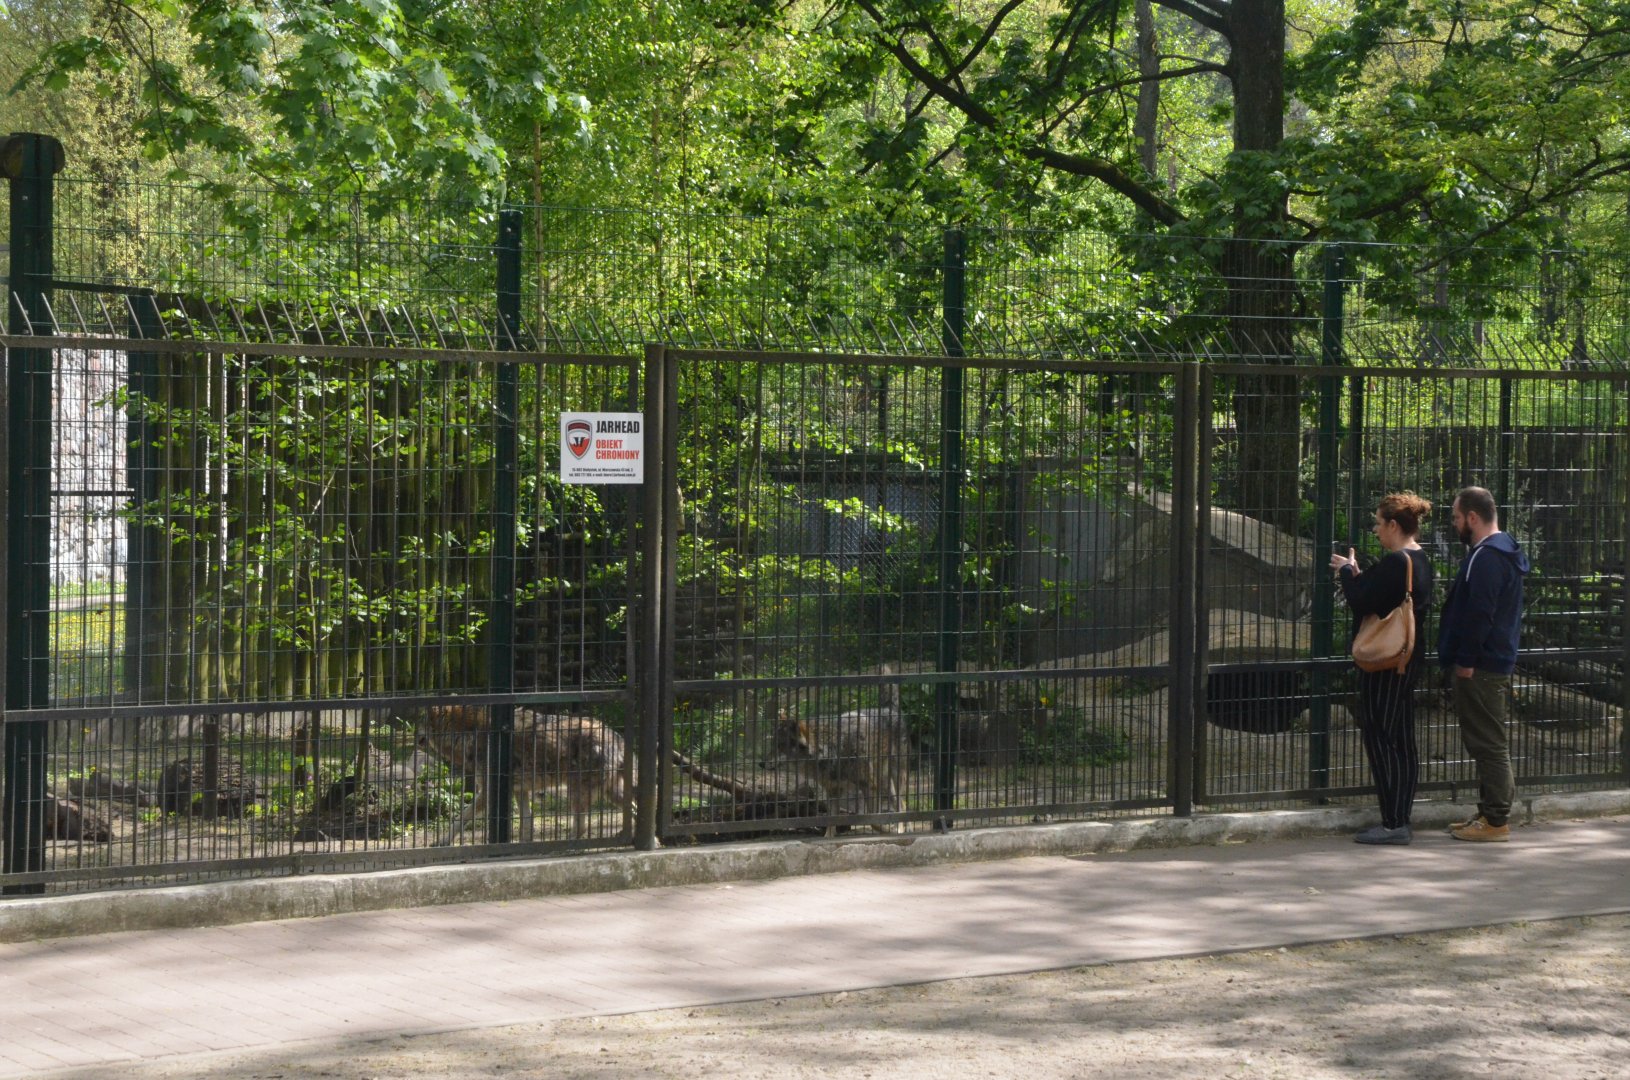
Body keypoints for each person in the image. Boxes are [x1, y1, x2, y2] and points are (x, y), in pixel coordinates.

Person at [1330, 492, 1435, 845]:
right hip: (1408, 660)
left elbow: (1362, 601)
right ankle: (1399, 817)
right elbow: (1381, 596)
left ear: (1393, 525)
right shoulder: (1420, 561)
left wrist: (1347, 573)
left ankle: (1393, 823)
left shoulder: (1396, 561)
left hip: (1385, 665)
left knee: (1380, 737)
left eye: (1378, 523)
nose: (1375, 530)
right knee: (1401, 739)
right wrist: (1359, 576)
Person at [1437, 486, 1529, 842]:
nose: (1456, 524)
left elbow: (1480, 614)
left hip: (1482, 665)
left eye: (1457, 518)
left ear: (1472, 518)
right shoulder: (1500, 549)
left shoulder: (1487, 557)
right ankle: (1489, 810)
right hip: (1492, 660)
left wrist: (1466, 660)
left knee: (1489, 743)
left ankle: (1495, 819)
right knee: (1485, 740)